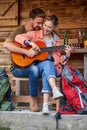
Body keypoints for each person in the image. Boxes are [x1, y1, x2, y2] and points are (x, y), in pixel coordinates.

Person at [14, 15, 73, 114]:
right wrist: (31, 44)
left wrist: (67, 54)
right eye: (45, 25)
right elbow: (18, 37)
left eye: (49, 27)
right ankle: (54, 90)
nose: (46, 28)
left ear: (54, 28)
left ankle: (46, 105)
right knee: (48, 65)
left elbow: (59, 60)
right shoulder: (35, 34)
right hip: (34, 65)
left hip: (47, 67)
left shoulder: (56, 40)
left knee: (48, 64)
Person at [4, 8, 46, 112]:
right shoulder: (21, 30)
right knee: (34, 69)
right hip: (18, 67)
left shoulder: (41, 32)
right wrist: (26, 52)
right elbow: (6, 44)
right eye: (38, 23)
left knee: (43, 67)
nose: (40, 26)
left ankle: (48, 103)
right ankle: (33, 101)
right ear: (30, 20)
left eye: (42, 23)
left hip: (34, 64)